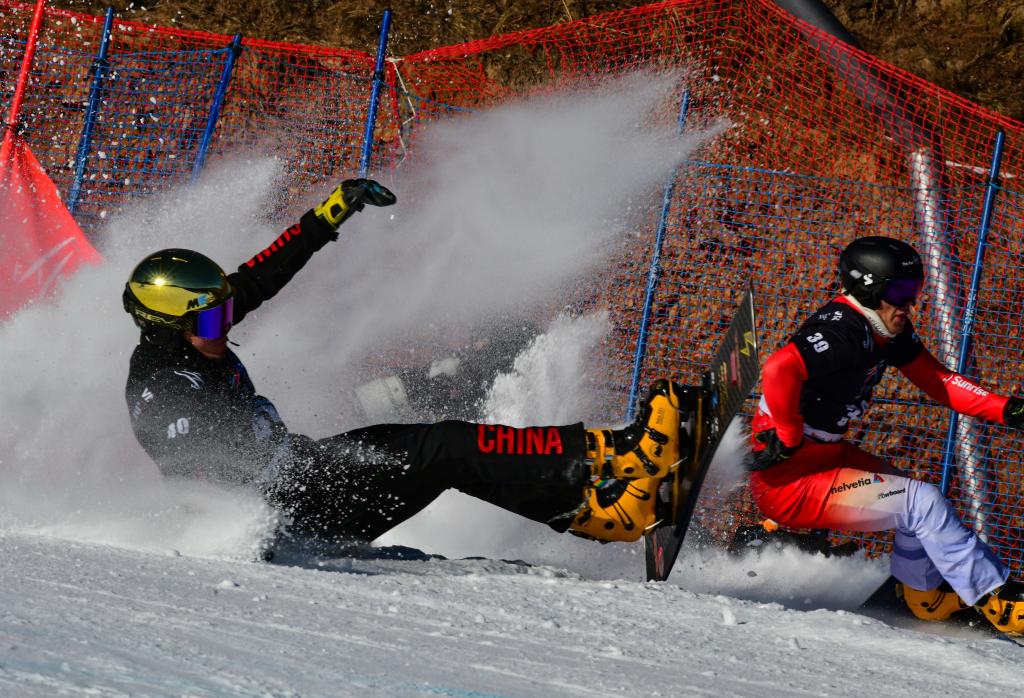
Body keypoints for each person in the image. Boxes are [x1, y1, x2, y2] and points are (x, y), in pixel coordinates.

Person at [122, 179, 687, 554]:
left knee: (446, 454)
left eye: (226, 312)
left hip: (308, 473)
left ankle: (606, 514)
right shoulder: (165, 387)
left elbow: (257, 279)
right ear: (170, 328)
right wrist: (246, 516)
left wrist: (327, 214)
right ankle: (627, 452)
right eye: (213, 319)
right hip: (298, 514)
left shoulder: (197, 330)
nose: (226, 325)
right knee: (444, 448)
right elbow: (192, 460)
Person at [749, 235, 1024, 634]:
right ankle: (998, 600)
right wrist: (787, 435)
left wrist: (1008, 409)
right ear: (867, 288)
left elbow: (939, 381)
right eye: (899, 292)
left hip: (824, 458)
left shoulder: (884, 329)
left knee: (914, 501)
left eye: (914, 290)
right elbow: (779, 367)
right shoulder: (844, 331)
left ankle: (924, 598)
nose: (909, 304)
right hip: (794, 482)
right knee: (921, 502)